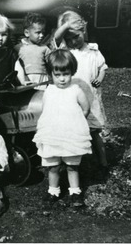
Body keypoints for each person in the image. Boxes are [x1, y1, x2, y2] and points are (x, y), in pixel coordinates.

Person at [33, 49, 92, 207]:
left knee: (72, 165)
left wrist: (76, 122)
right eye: (57, 75)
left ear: (72, 72)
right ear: (51, 74)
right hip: (53, 133)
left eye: (65, 74)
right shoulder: (49, 91)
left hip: (70, 134)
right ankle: (53, 191)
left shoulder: (76, 90)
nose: (62, 79)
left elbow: (85, 109)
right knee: (53, 166)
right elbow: (46, 110)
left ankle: (75, 192)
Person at [53, 10, 109, 177]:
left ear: (83, 31)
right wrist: (67, 26)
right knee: (75, 131)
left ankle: (103, 161)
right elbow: (56, 38)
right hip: (73, 98)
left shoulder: (93, 50)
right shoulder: (66, 51)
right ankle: (77, 161)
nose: (72, 41)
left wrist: (100, 77)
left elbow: (103, 67)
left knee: (95, 131)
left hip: (91, 97)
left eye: (75, 36)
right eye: (68, 38)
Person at [14, 12, 52, 89]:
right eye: (38, 33)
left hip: (42, 80)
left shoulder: (44, 48)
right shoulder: (18, 48)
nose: (42, 35)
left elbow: (52, 64)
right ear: (27, 33)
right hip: (24, 80)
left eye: (43, 32)